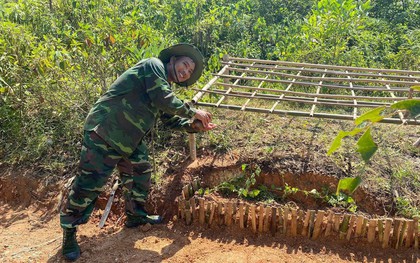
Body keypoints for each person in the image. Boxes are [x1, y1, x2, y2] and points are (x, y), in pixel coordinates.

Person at [60, 43, 216, 261]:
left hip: (129, 140)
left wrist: (194, 125)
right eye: (185, 65)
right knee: (89, 184)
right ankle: (69, 231)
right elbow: (164, 99)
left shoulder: (164, 86)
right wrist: (193, 110)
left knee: (139, 171)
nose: (186, 72)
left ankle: (135, 215)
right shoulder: (153, 66)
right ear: (173, 59)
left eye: (190, 71)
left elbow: (169, 118)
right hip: (105, 131)